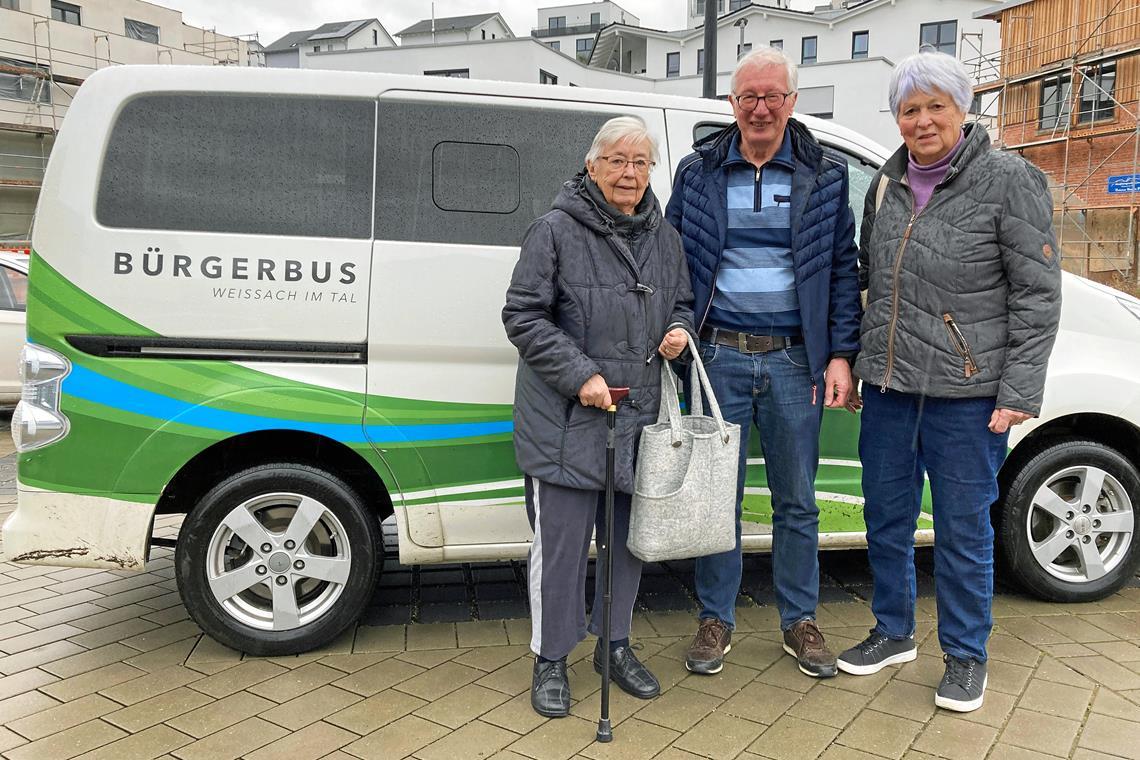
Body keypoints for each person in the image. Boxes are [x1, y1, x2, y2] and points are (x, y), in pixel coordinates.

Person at [836, 52, 1062, 713]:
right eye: (910, 109)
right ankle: (894, 631)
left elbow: (1037, 293)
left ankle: (966, 656)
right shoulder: (886, 183)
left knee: (963, 532)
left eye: (936, 106)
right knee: (886, 518)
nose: (923, 120)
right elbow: (867, 279)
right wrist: (857, 359)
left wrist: (1018, 390)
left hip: (968, 395)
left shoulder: (1008, 180)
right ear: (897, 118)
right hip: (890, 389)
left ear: (962, 110)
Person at [665, 47, 862, 679]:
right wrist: (677, 332)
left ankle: (799, 621)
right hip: (716, 357)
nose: (760, 108)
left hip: (795, 362)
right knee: (715, 497)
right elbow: (672, 263)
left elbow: (842, 271)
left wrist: (840, 356)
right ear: (732, 103)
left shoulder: (825, 176)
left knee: (797, 501)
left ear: (791, 102)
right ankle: (715, 618)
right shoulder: (696, 173)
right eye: (748, 96)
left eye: (772, 96)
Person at [503, 116, 695, 718]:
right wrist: (580, 374)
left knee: (626, 546)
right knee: (560, 549)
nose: (629, 173)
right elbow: (523, 316)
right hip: (567, 421)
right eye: (617, 160)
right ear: (592, 166)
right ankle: (550, 657)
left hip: (638, 420)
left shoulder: (666, 238)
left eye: (640, 162)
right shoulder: (553, 230)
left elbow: (683, 302)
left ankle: (614, 646)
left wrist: (679, 331)